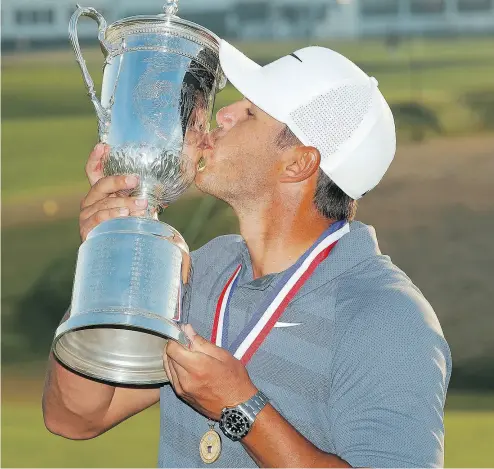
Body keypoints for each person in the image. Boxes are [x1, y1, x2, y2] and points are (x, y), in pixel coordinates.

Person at [42, 41, 452, 468]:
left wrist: (241, 408)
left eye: (251, 113)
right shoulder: (200, 272)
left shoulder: (388, 318)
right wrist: (110, 247)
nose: (224, 113)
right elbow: (73, 417)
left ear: (298, 164)